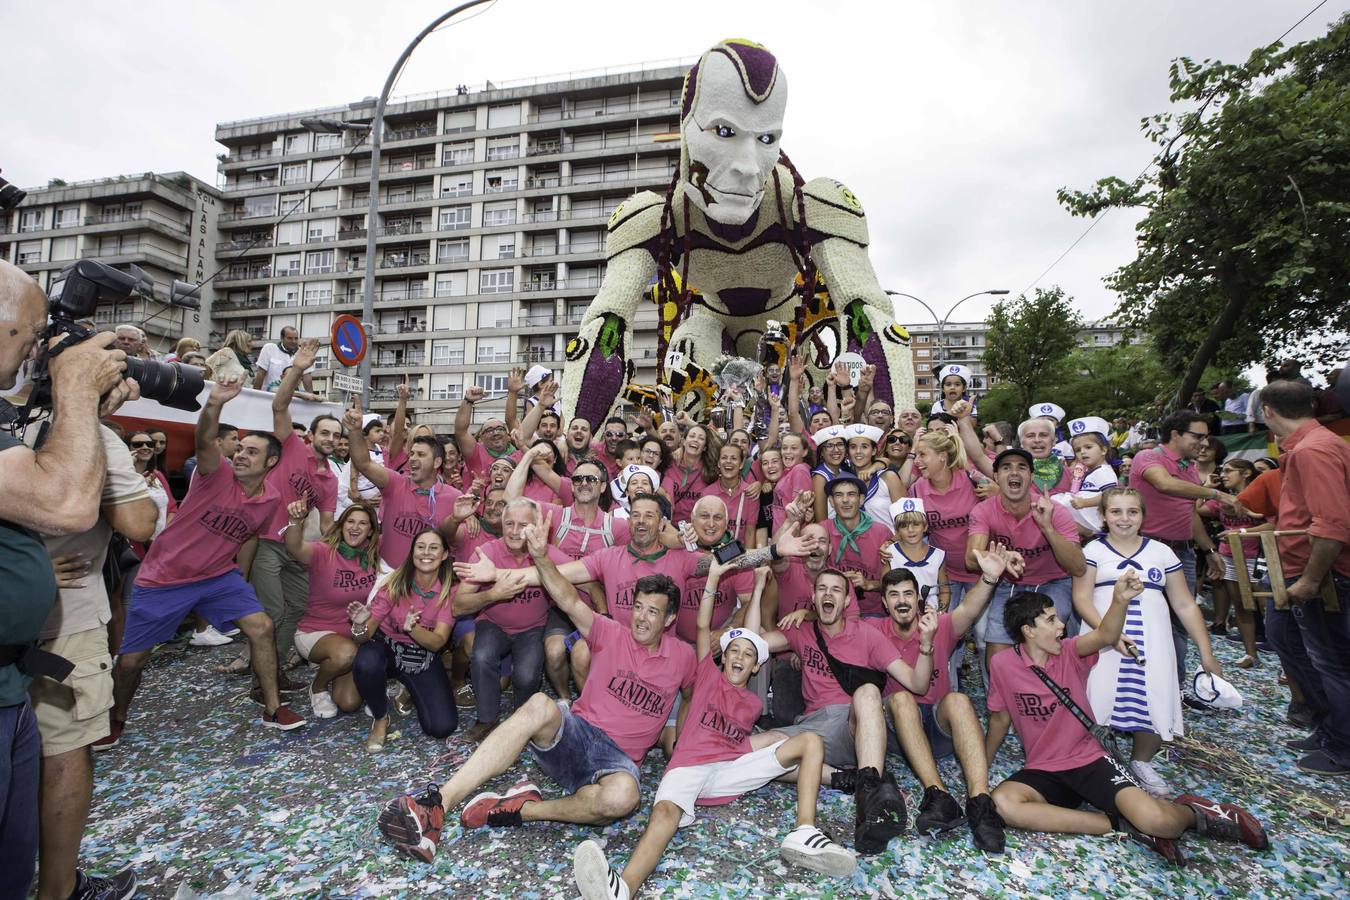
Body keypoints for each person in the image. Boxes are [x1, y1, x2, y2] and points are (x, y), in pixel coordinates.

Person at [375, 550, 694, 863]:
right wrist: (540, 555)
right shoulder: (611, 632)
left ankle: (521, 810)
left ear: (669, 619)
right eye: (638, 607)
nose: (641, 617)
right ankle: (436, 805)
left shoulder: (683, 658)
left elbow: (692, 696)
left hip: (618, 760)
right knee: (540, 704)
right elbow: (568, 599)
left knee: (622, 798)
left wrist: (679, 744)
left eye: (653, 611)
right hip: (576, 735)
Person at [572, 564, 856, 900]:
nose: (739, 656)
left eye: (748, 655)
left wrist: (821, 769)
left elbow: (744, 742)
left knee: (807, 741)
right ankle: (624, 888)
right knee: (664, 812)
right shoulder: (708, 675)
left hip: (728, 771)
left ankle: (804, 831)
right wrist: (713, 579)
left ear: (756, 667)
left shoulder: (751, 704)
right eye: (733, 651)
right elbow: (705, 625)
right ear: (723, 659)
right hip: (689, 766)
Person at [987, 576, 1269, 867]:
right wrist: (981, 769)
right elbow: (999, 718)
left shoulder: (1070, 652)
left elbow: (1107, 634)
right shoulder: (1002, 664)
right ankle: (1120, 824)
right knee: (1002, 803)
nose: (1061, 626)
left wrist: (1120, 600)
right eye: (1050, 620)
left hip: (1089, 761)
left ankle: (1194, 812)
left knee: (1161, 822)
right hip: (1043, 768)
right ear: (1028, 631)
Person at [104, 375, 305, 750]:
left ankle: (273, 707)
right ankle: (116, 719)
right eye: (239, 448)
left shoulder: (271, 498)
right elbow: (203, 439)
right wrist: (214, 403)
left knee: (261, 626)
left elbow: (246, 539)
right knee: (132, 662)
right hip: (165, 577)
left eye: (251, 452)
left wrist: (240, 583)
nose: (241, 454)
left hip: (217, 577)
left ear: (271, 462)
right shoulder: (216, 474)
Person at [27, 424, 155, 900]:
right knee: (64, 748)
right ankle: (58, 889)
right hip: (63, 621)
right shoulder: (93, 435)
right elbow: (140, 521)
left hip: (56, 612)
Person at [754, 568, 935, 854]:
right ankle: (841, 779)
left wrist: (926, 647)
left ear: (847, 601)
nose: (828, 594)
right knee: (753, 751)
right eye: (822, 589)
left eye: (836, 589)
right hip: (810, 728)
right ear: (813, 598)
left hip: (850, 726)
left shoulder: (866, 634)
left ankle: (868, 799)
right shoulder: (800, 630)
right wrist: (756, 592)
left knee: (867, 691)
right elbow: (752, 642)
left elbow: (918, 684)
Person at [1072, 487, 1222, 797]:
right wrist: (1107, 632)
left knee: (1152, 696)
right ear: (1103, 515)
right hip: (1105, 638)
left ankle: (1142, 762)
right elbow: (1082, 597)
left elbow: (1184, 604)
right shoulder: (1092, 552)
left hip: (1153, 639)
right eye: (1115, 511)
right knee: (1097, 696)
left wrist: (1206, 653)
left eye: (1132, 511)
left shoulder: (1162, 553)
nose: (1124, 519)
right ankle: (1095, 764)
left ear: (1143, 515)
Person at [870, 548, 1015, 852]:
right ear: (884, 603)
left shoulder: (939, 625)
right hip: (900, 733)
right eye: (894, 595)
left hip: (938, 728)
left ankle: (980, 803)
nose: (902, 601)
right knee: (900, 699)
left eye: (908, 593)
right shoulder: (873, 631)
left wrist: (989, 577)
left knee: (960, 700)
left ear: (918, 600)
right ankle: (938, 795)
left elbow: (969, 610)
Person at [1258, 380, 1350, 776]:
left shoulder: (1315, 450)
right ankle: (1329, 727)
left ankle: (1343, 746)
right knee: (1284, 638)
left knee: (1332, 662)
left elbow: (1332, 524)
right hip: (1302, 570)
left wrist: (1312, 580)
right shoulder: (1311, 445)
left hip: (1325, 576)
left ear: (1267, 411)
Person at [245, 339, 339, 686]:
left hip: (297, 550)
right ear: (311, 435)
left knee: (297, 609)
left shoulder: (330, 479)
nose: (329, 438)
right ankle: (262, 682)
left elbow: (328, 523)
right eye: (324, 432)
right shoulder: (291, 448)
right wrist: (298, 368)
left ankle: (276, 671)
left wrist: (337, 555)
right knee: (273, 613)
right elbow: (280, 405)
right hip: (268, 543)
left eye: (335, 435)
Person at [453, 498, 581, 740]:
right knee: (481, 657)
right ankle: (487, 719)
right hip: (493, 622)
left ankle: (520, 722)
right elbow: (458, 606)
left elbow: (585, 575)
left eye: (523, 524)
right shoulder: (487, 553)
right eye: (509, 523)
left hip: (532, 627)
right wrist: (493, 594)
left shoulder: (547, 554)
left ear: (537, 527)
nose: (514, 531)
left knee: (528, 674)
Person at [1130, 411, 1234, 686]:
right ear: (1175, 434)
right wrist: (1216, 493)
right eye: (1197, 436)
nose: (1203, 442)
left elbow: (1189, 514)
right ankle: (1141, 687)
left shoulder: (1188, 467)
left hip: (1183, 554)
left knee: (1180, 623)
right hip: (1147, 552)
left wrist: (1209, 551)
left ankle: (1173, 688)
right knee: (1143, 622)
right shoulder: (1149, 457)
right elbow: (1164, 483)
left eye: (1206, 437)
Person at [966, 448, 1086, 669]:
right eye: (1006, 467)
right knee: (997, 657)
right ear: (996, 476)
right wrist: (1001, 557)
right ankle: (999, 703)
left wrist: (1048, 528)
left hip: (1053, 583)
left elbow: (1078, 567)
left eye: (1021, 467)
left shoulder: (1055, 511)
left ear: (1031, 476)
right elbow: (971, 559)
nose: (1014, 472)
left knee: (1046, 645)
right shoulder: (983, 511)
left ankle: (1047, 698)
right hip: (1010, 585)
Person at [351, 529, 459, 750]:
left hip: (422, 654)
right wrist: (360, 625)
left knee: (441, 727)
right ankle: (381, 718)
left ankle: (408, 688)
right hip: (387, 647)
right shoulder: (394, 583)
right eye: (420, 546)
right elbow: (364, 636)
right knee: (366, 662)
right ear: (412, 552)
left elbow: (438, 642)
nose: (426, 553)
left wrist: (413, 629)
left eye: (434, 547)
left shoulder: (451, 590)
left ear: (445, 554)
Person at [282, 500, 382, 718]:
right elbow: (294, 547)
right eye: (350, 522)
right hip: (317, 632)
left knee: (348, 703)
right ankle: (317, 688)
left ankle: (342, 670)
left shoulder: (373, 556)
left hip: (356, 637)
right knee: (344, 653)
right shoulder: (323, 552)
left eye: (363, 523)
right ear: (342, 525)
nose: (355, 527)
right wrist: (296, 522)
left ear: (371, 530)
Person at [345, 397, 462, 569]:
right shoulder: (394, 483)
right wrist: (355, 431)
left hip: (427, 580)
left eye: (421, 455)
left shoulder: (455, 498)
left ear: (437, 463)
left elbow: (457, 540)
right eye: (412, 454)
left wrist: (469, 518)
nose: (413, 459)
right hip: (388, 576)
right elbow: (363, 463)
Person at [1198, 459, 1266, 665]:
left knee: (1268, 609)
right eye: (1223, 470)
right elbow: (1197, 509)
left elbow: (1273, 525)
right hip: (1229, 557)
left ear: (1246, 473)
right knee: (1240, 606)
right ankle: (1251, 654)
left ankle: (1287, 664)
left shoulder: (1259, 495)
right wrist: (1207, 488)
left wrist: (1241, 532)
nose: (1224, 474)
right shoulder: (1221, 498)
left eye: (1229, 471)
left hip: (1258, 558)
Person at [822, 476, 893, 617]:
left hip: (874, 612)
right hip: (835, 613)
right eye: (838, 495)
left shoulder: (881, 532)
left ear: (861, 499)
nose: (845, 500)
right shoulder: (822, 531)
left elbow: (896, 583)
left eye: (851, 494)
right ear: (831, 501)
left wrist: (869, 584)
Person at [1053, 417, 1119, 537]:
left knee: (1052, 505)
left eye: (1088, 447)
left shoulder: (1104, 471)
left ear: (1104, 450)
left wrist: (1085, 502)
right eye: (1078, 450)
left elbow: (1111, 495)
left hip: (1094, 522)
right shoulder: (1091, 471)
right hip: (1083, 519)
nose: (1082, 452)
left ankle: (1088, 533)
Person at [884, 499, 950, 611]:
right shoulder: (890, 554)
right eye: (904, 526)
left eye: (916, 524)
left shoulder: (938, 555)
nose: (910, 530)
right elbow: (884, 588)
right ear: (897, 530)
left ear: (925, 526)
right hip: (902, 613)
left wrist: (941, 612)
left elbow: (944, 588)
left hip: (931, 613)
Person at [455, 385, 522, 480]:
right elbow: (460, 431)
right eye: (489, 430)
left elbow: (511, 419)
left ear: (508, 436)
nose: (495, 433)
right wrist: (468, 401)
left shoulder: (520, 455)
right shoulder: (476, 452)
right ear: (481, 438)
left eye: (500, 429)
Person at [663, 423, 717, 525]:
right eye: (692, 436)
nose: (695, 440)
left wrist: (688, 421)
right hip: (668, 526)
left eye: (701, 438)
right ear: (683, 441)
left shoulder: (711, 470)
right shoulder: (668, 462)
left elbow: (726, 445)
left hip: (695, 528)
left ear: (705, 447)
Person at [252, 325, 315, 394]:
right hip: (268, 396)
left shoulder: (303, 353)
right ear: (282, 338)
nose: (293, 341)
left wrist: (311, 398)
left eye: (296, 338)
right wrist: (255, 396)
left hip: (292, 397)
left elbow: (307, 378)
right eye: (290, 338)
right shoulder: (269, 348)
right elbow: (260, 374)